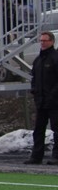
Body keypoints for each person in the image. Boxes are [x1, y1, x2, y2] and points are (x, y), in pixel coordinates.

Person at [25, 31, 58, 165]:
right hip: (41, 101)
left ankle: (56, 156)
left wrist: (52, 95)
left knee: (57, 129)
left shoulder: (55, 58)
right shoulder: (38, 60)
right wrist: (35, 91)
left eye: (45, 40)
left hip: (54, 102)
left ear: (52, 42)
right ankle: (36, 156)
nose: (43, 43)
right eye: (41, 40)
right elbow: (34, 78)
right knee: (38, 130)